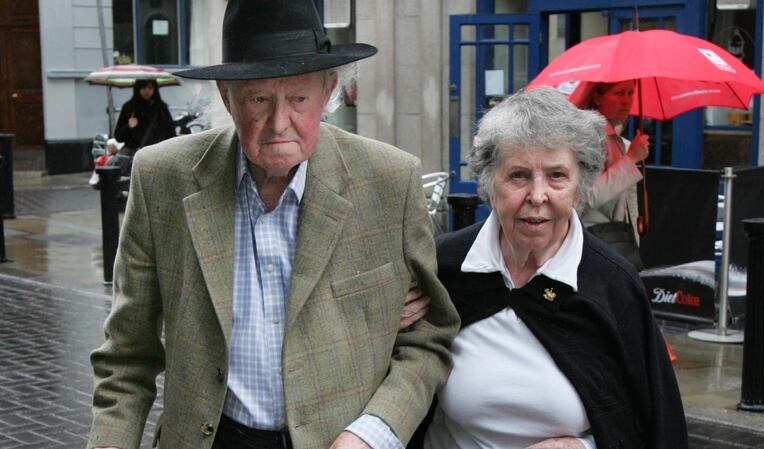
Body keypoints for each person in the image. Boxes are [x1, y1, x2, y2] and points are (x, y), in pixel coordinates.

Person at [86, 2, 459, 449]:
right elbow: (127, 358)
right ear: (227, 96)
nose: (280, 123)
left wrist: (372, 432)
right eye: (259, 99)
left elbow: (428, 338)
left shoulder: (388, 181)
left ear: (328, 92)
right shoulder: (163, 178)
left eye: (299, 98)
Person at [420, 87, 687, 449]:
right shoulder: (445, 266)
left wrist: (584, 447)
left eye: (557, 175)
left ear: (580, 188)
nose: (538, 195)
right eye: (518, 175)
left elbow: (652, 425)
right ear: (489, 184)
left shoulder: (612, 285)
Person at [578, 80, 649, 269]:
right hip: (594, 242)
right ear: (598, 98)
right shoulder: (591, 138)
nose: (627, 100)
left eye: (630, 93)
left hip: (609, 243)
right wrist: (631, 158)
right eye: (619, 93)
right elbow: (587, 197)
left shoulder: (614, 138)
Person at [108, 79, 176, 172]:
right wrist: (129, 127)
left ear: (155, 89)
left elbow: (171, 133)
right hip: (134, 157)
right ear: (137, 89)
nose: (147, 91)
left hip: (156, 156)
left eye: (150, 88)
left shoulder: (161, 109)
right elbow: (119, 136)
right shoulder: (129, 108)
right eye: (143, 88)